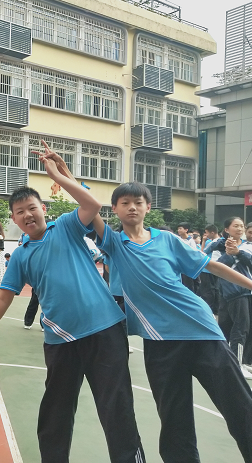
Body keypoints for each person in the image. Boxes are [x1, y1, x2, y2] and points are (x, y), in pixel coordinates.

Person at [0, 142, 145, 463]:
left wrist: (59, 174)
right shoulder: (21, 256)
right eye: (20, 211)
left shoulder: (67, 226)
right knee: (55, 416)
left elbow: (92, 203)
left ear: (43, 208)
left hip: (105, 330)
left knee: (117, 412)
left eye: (31, 207)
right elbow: (3, 298)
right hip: (61, 341)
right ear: (13, 219)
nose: (27, 214)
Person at [93, 182, 252, 463]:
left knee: (240, 405)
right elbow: (88, 206)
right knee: (174, 421)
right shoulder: (114, 243)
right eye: (125, 202)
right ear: (114, 209)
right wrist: (62, 173)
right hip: (160, 342)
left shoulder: (167, 239)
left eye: (138, 202)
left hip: (201, 330)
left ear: (148, 207)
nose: (132, 207)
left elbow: (210, 266)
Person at [204, 217, 252, 377]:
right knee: (239, 328)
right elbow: (216, 267)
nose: (239, 229)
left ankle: (240, 362)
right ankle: (235, 365)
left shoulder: (246, 246)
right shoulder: (219, 246)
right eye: (235, 226)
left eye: (241, 226)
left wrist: (238, 253)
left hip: (246, 291)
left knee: (240, 328)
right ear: (226, 229)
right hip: (233, 292)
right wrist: (230, 254)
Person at [199, 224, 222, 316]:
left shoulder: (213, 242)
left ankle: (208, 309)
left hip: (208, 269)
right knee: (216, 289)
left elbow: (202, 252)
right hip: (217, 269)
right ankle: (215, 309)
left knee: (208, 290)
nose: (206, 235)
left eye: (206, 233)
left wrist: (204, 241)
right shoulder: (222, 241)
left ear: (212, 233)